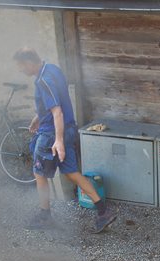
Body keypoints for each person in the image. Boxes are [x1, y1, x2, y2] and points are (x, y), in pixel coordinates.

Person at [13, 47, 116, 233]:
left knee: (39, 173)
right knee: (71, 172)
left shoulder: (44, 80)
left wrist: (58, 141)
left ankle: (45, 216)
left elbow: (57, 112)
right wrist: (38, 117)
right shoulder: (52, 69)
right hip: (68, 128)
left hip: (52, 134)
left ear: (29, 63)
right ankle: (103, 211)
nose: (21, 70)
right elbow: (55, 103)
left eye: (21, 66)